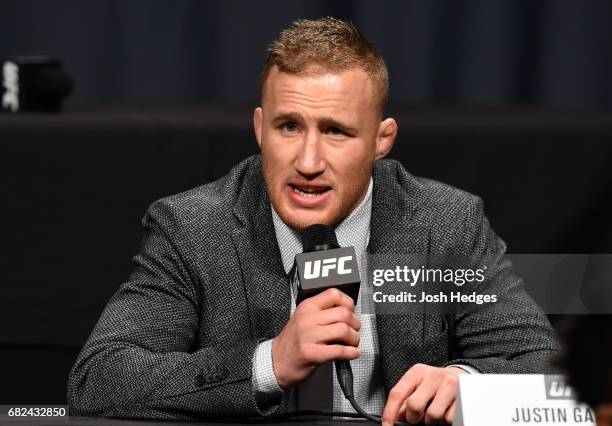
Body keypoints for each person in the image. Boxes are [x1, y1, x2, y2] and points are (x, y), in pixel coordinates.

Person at [67, 17, 559, 424]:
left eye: (336, 132)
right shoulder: (194, 227)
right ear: (260, 128)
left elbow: (542, 369)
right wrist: (269, 364)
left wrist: (467, 385)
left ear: (381, 140)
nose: (307, 161)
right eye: (289, 126)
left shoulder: (445, 222)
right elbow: (99, 378)